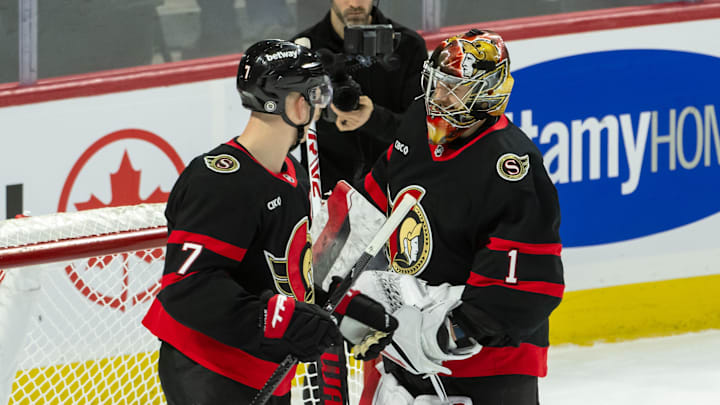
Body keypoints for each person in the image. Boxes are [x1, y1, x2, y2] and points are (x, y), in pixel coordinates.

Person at [142, 39, 397, 405]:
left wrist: (340, 311)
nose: (321, 104)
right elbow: (189, 288)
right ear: (295, 103)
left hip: (267, 371)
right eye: (317, 94)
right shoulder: (218, 179)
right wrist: (281, 320)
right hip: (210, 371)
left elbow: (280, 277)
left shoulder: (289, 174)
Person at [355, 29, 565, 404]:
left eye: (453, 88)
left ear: (487, 93)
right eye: (436, 84)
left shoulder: (510, 167)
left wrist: (448, 333)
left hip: (492, 365)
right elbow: (378, 199)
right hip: (407, 347)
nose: (438, 97)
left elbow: (528, 286)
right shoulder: (418, 122)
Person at [292, 0, 428, 194]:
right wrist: (304, 118)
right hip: (327, 188)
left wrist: (373, 118)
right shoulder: (303, 49)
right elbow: (285, 134)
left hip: (395, 186)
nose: (354, 3)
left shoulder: (407, 46)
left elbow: (422, 132)